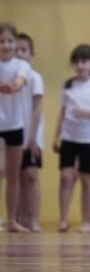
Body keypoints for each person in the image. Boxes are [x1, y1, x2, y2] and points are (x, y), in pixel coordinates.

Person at [53, 44, 90, 233]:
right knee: (66, 176)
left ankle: (87, 221)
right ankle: (63, 219)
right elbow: (62, 112)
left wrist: (87, 113)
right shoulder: (69, 85)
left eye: (84, 62)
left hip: (88, 139)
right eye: (77, 62)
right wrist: (56, 136)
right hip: (69, 137)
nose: (80, 66)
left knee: (87, 179)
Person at [0, 23, 32, 233]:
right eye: (1, 41)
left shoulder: (22, 66)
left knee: (13, 175)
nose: (5, 45)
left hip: (15, 124)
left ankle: (11, 220)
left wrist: (13, 86)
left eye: (9, 41)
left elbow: (20, 81)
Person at [15, 33, 44, 232]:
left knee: (31, 176)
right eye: (16, 49)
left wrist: (32, 136)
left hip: (32, 134)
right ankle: (17, 218)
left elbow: (38, 107)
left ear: (32, 54)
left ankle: (33, 218)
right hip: (14, 134)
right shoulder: (8, 77)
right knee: (15, 177)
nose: (19, 53)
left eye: (23, 50)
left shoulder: (34, 77)